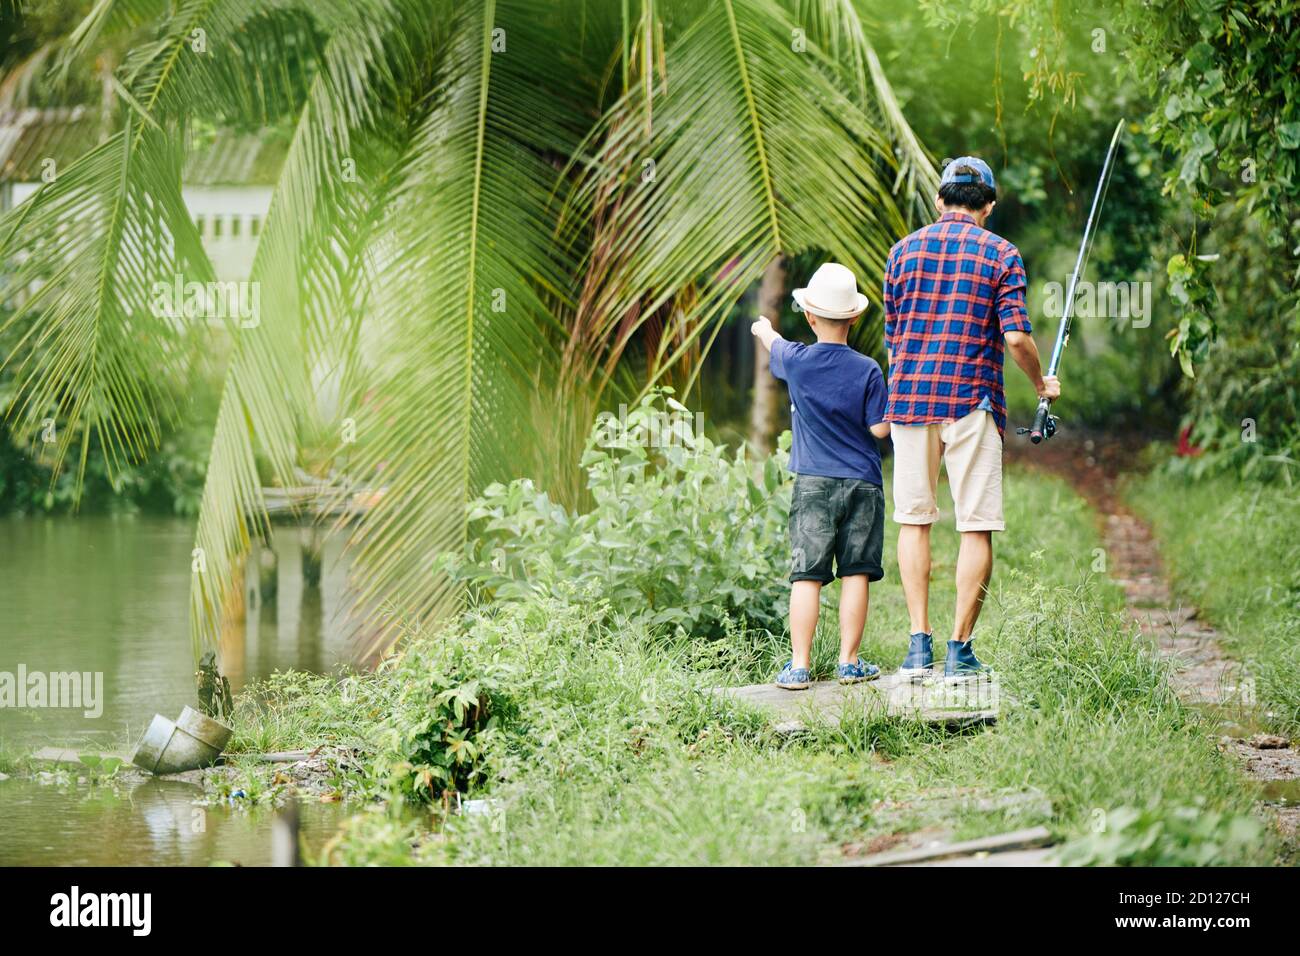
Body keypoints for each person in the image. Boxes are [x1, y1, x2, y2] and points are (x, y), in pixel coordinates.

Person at [883, 156, 1061, 680]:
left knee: (915, 519)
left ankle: (919, 646)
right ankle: (959, 651)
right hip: (971, 401)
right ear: (988, 204)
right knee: (975, 525)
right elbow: (1014, 337)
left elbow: (895, 342)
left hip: (911, 401)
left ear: (939, 201)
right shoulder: (1001, 253)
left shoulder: (901, 252)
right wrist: (1040, 383)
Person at [751, 263, 891, 690]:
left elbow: (774, 343)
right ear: (854, 317)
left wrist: (762, 328)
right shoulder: (869, 370)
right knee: (856, 573)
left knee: (806, 576)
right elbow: (880, 429)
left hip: (813, 484)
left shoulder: (796, 361)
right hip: (863, 484)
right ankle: (849, 663)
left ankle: (798, 666)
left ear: (810, 317)